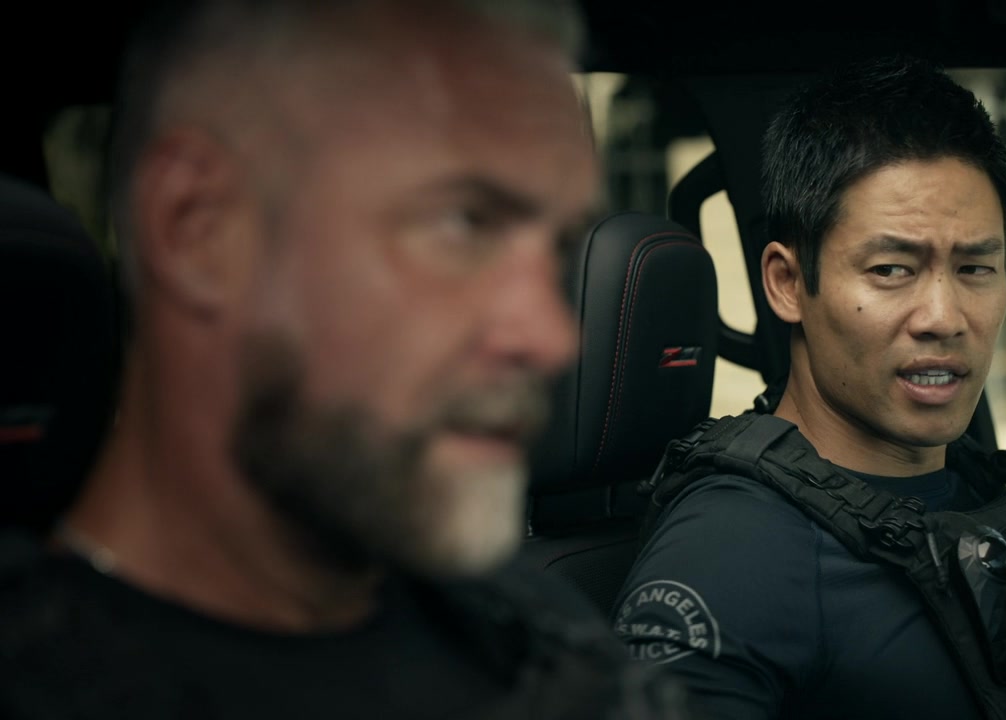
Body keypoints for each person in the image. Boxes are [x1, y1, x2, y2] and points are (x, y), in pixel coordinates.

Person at [0, 1, 681, 718]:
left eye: (560, 249)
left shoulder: (548, 646)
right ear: (198, 228)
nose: (551, 336)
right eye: (463, 224)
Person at [612, 56, 1006, 719]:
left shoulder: (983, 488)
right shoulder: (731, 557)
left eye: (975, 268)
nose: (944, 318)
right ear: (787, 283)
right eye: (892, 269)